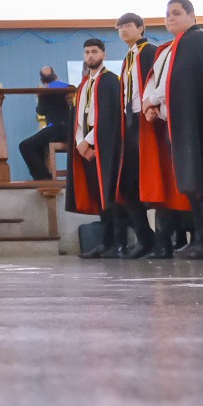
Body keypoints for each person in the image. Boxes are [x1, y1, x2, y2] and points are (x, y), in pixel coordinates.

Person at [141, 0, 203, 259]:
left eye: (176, 13)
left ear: (192, 15)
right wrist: (154, 105)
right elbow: (161, 81)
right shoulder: (172, 48)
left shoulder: (198, 40)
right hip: (181, 123)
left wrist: (152, 100)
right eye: (167, 14)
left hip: (202, 123)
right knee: (194, 183)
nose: (170, 18)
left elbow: (179, 81)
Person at [111, 12, 175, 258]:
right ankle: (144, 237)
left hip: (148, 121)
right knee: (127, 185)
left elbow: (157, 84)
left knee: (155, 180)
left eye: (128, 25)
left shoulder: (151, 52)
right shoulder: (128, 58)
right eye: (120, 27)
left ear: (141, 28)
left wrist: (153, 107)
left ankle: (163, 242)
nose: (124, 30)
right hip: (129, 122)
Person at [66, 39, 112, 254]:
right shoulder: (84, 84)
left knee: (109, 196)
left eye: (94, 51)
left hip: (103, 142)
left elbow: (108, 116)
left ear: (103, 54)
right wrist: (79, 143)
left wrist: (89, 141)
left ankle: (115, 243)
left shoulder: (110, 81)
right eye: (87, 52)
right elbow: (78, 117)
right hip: (86, 145)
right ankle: (106, 242)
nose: (90, 56)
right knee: (98, 195)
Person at [20, 66, 74, 181]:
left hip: (57, 129)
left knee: (25, 146)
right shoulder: (69, 88)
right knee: (39, 143)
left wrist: (39, 98)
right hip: (71, 129)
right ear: (56, 76)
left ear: (42, 81)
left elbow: (40, 111)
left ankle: (44, 178)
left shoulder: (45, 92)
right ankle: (44, 177)